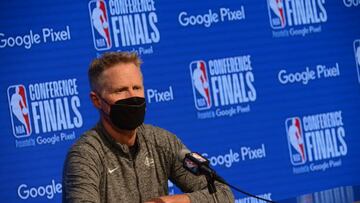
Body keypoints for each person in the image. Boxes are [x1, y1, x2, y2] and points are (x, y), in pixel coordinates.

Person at [62, 52, 234, 203]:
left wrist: (172, 202)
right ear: (96, 100)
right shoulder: (85, 155)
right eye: (120, 90)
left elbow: (223, 195)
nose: (132, 97)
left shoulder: (161, 142)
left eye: (136, 88)